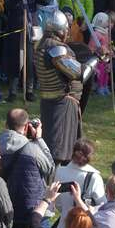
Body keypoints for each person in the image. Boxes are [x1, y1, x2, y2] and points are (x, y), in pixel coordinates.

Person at [35, 9, 87, 165]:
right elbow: (78, 73)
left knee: (54, 147)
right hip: (61, 104)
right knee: (59, 151)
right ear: (60, 29)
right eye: (66, 29)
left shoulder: (42, 44)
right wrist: (95, 61)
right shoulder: (55, 49)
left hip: (50, 102)